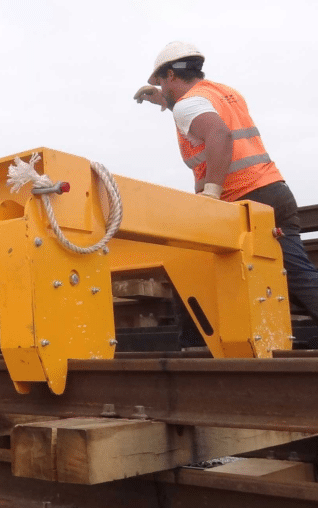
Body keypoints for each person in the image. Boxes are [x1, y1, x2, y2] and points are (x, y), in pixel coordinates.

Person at [133, 41, 318, 341]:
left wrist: (212, 193)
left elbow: (218, 133)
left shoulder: (188, 104)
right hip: (273, 191)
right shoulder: (222, 92)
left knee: (190, 266)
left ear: (170, 76)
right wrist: (165, 103)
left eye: (161, 83)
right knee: (297, 274)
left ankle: (195, 349)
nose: (161, 88)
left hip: (241, 198)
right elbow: (204, 117)